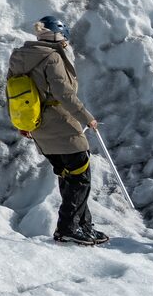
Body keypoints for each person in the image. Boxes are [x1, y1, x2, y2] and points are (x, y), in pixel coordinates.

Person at [8, 15, 108, 245]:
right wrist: (87, 118)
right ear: (59, 36)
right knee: (80, 175)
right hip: (61, 123)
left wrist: (21, 123)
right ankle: (68, 228)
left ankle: (83, 226)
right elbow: (64, 94)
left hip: (38, 127)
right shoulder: (52, 58)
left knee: (69, 174)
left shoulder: (19, 57)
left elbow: (12, 93)